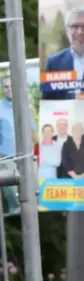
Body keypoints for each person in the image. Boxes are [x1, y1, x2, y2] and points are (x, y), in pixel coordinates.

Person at [0, 75, 37, 213]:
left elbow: (33, 132)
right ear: (3, 89)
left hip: (27, 160)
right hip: (7, 162)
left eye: (11, 86)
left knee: (32, 198)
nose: (9, 89)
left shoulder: (24, 106)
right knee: (15, 204)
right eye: (6, 86)